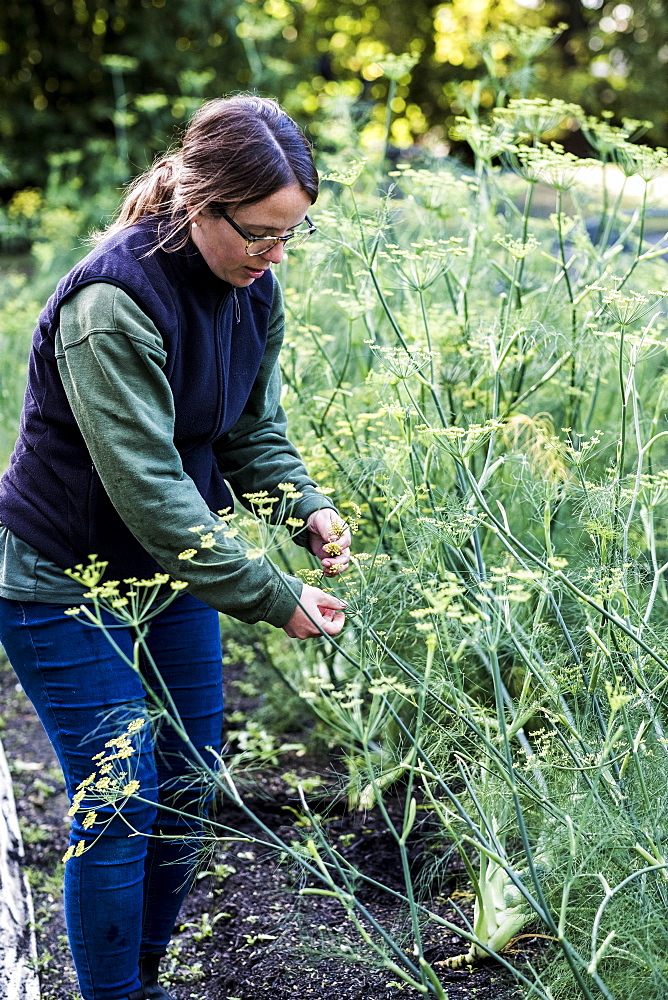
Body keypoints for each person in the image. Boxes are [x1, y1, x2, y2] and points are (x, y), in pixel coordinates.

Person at [0, 95, 350, 1000]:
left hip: (170, 575)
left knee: (191, 781)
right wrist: (274, 595)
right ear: (201, 203)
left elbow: (248, 433)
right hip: (59, 581)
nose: (275, 254)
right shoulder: (111, 304)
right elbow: (154, 494)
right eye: (261, 233)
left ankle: (143, 980)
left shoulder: (251, 289)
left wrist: (303, 509)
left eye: (291, 235)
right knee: (119, 795)